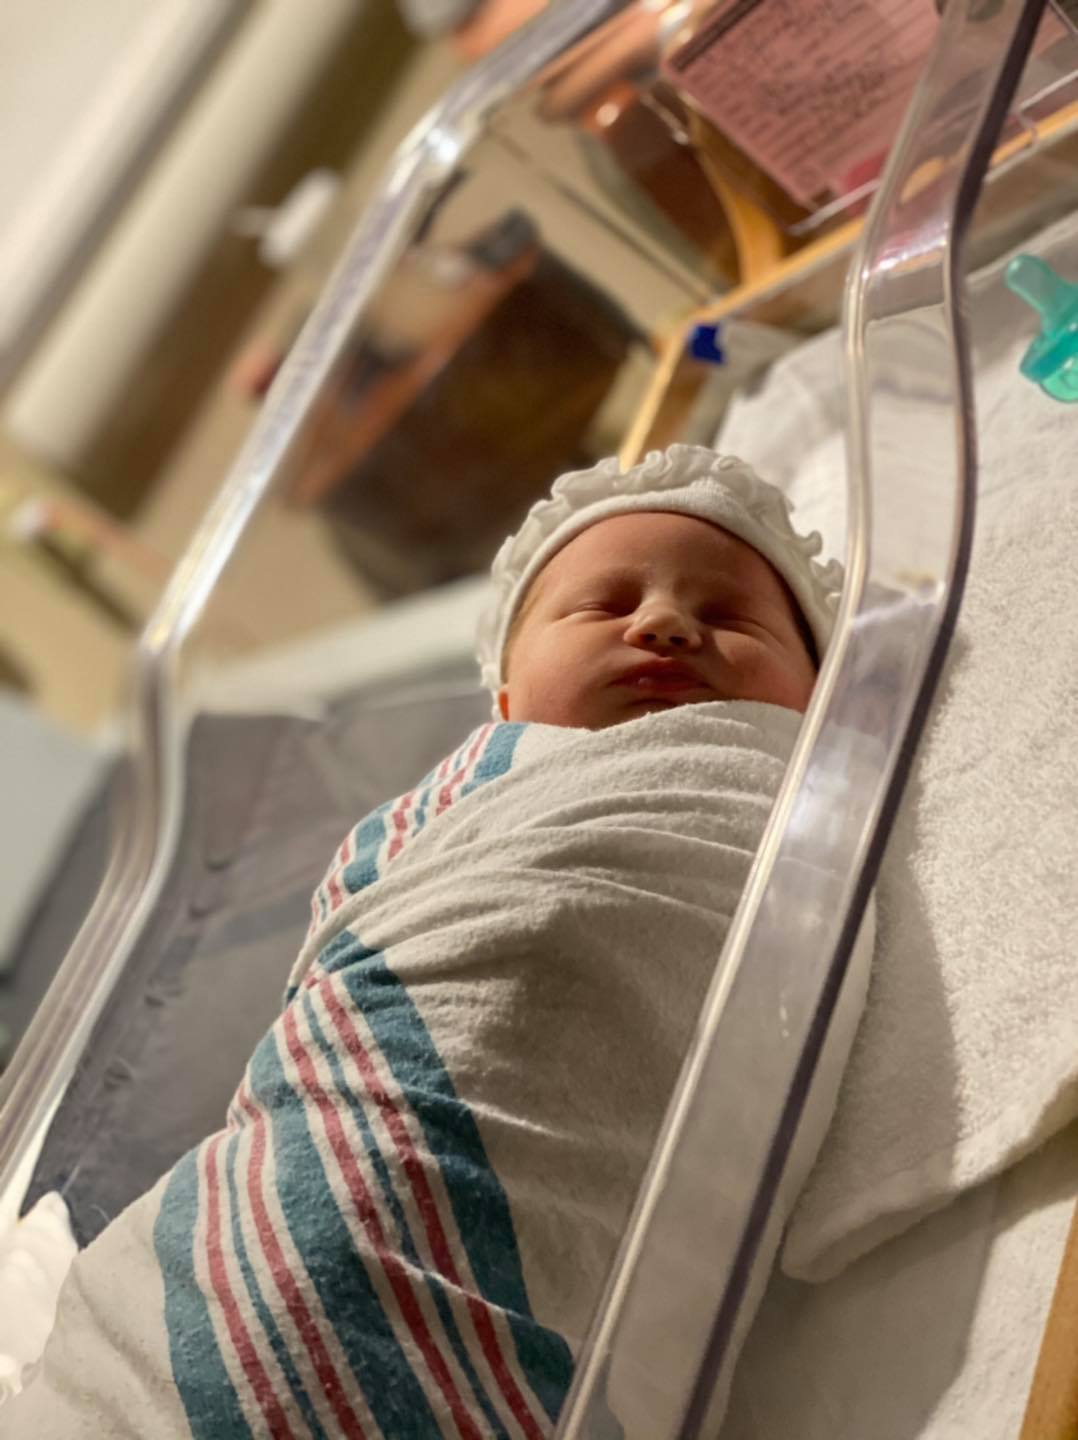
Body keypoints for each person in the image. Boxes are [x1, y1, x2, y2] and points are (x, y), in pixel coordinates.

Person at [4, 445, 869, 1440]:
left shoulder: (760, 793)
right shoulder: (468, 798)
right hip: (282, 1215)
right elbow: (342, 959)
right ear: (503, 700)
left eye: (730, 617)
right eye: (605, 604)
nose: (666, 624)